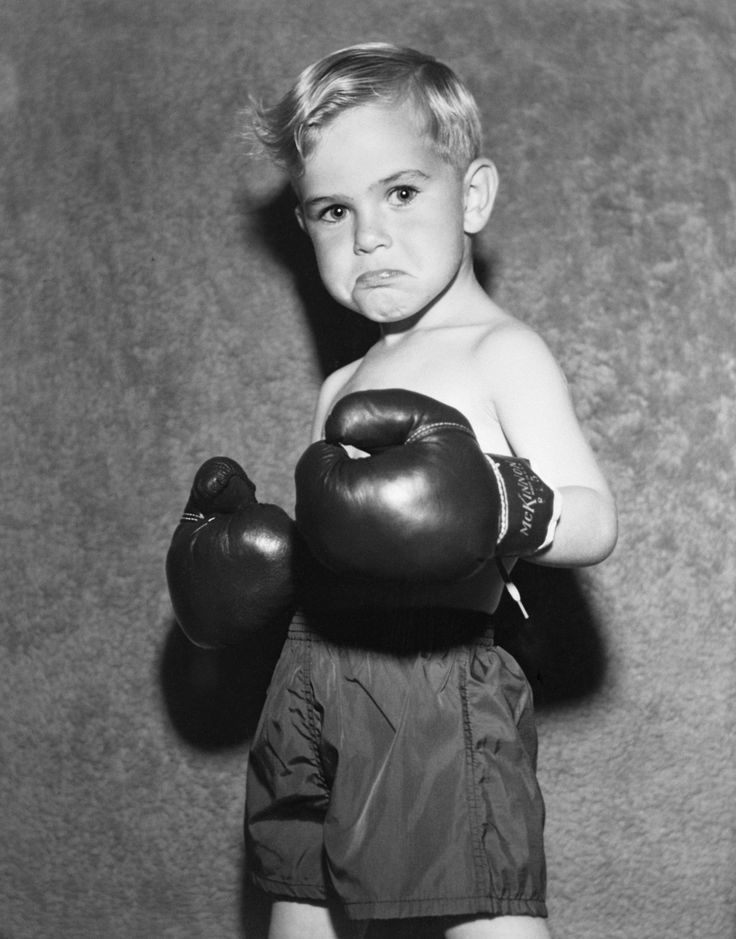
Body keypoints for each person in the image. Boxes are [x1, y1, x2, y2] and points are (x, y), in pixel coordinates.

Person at [168, 42, 617, 939]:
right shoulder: (341, 386)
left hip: (436, 673)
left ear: (474, 197)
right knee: (297, 899)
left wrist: (497, 501)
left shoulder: (503, 352)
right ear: (306, 226)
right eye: (334, 209)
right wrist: (251, 573)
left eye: (402, 193)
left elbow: (594, 518)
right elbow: (353, 536)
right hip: (308, 677)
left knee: (485, 913)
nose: (368, 233)